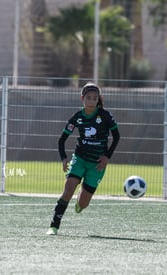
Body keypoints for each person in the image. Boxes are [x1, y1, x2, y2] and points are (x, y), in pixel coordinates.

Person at [46, 82, 120, 235]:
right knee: (67, 191)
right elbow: (62, 139)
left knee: (83, 204)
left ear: (98, 99)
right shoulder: (77, 117)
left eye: (95, 98)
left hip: (97, 165)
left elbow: (117, 136)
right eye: (88, 98)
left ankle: (82, 197)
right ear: (82, 98)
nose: (91, 101)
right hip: (79, 160)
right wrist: (64, 159)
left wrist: (107, 157)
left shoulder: (105, 116)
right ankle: (54, 226)